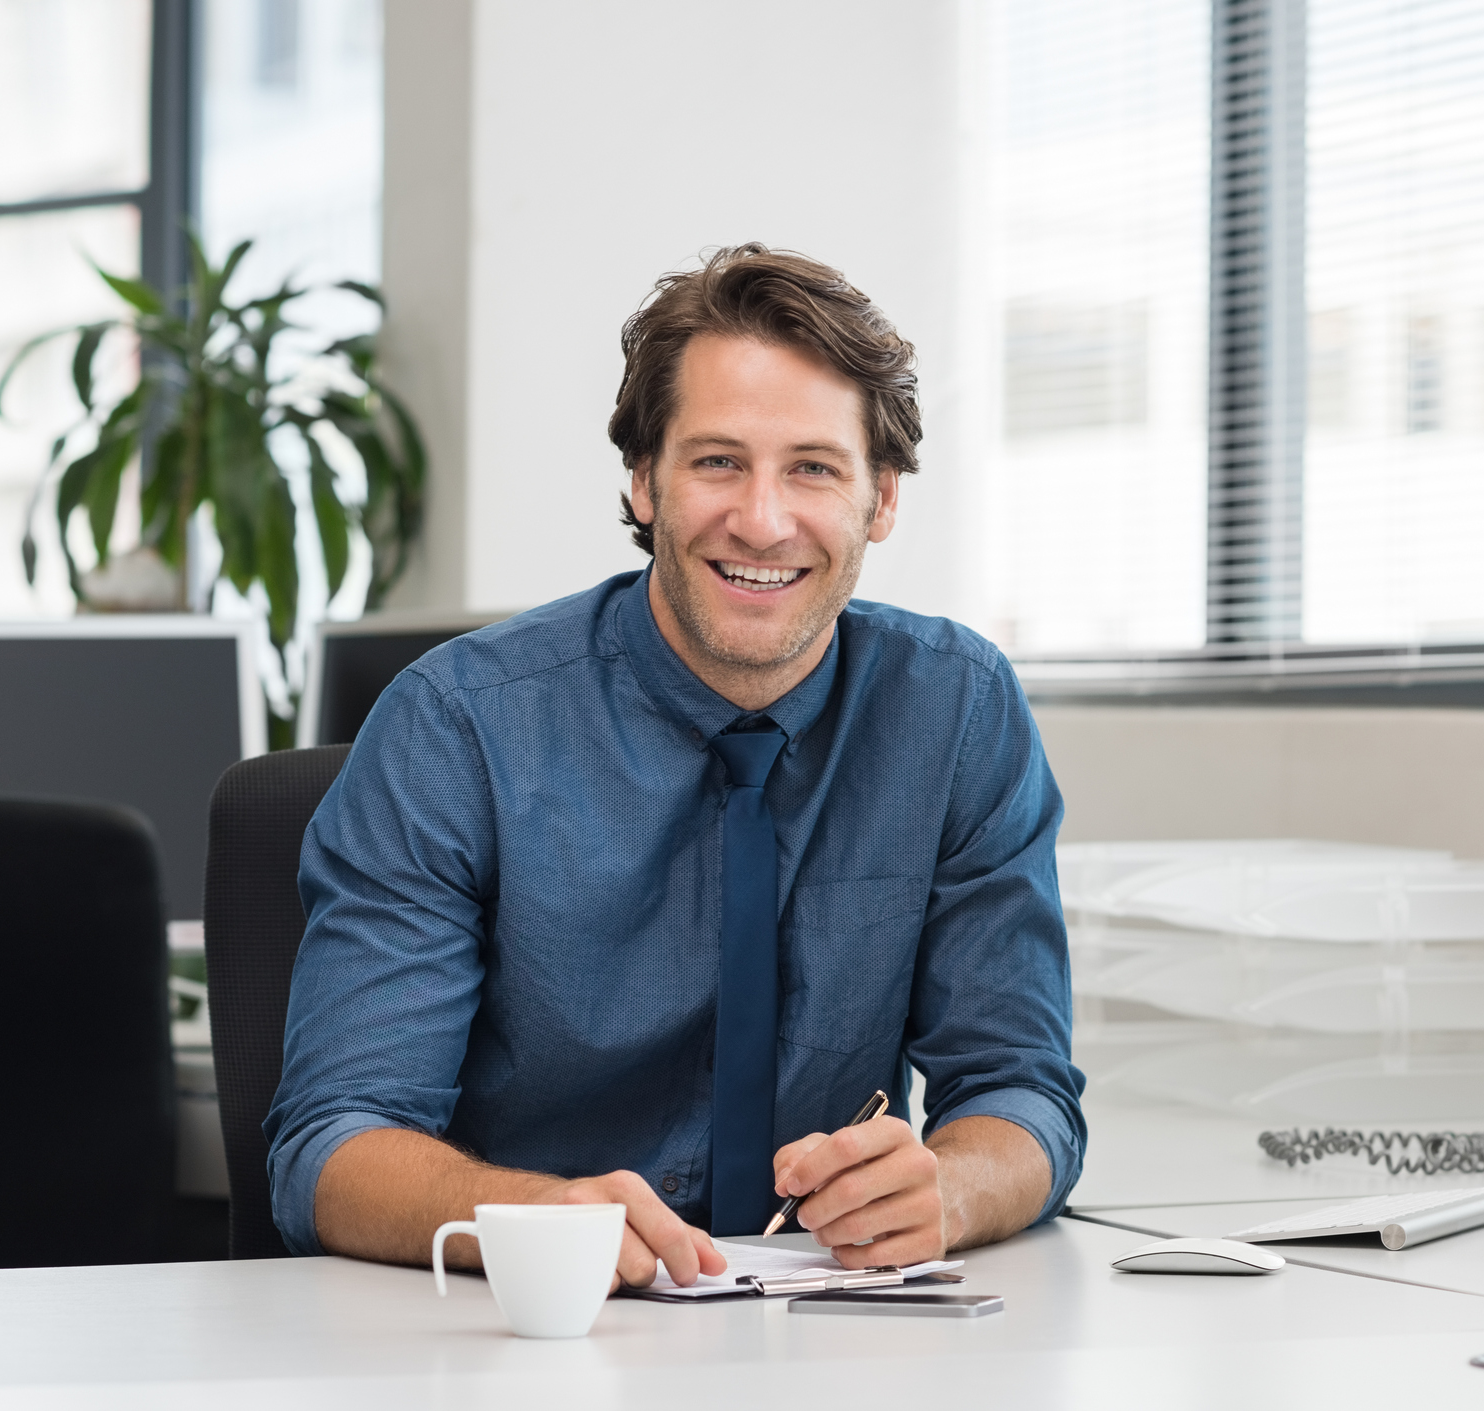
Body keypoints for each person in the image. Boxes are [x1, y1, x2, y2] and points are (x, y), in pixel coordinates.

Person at [265, 244, 1085, 1290]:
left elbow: (1022, 1094)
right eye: (716, 462)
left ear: (881, 500)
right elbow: (329, 1145)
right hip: (523, 1329)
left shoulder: (956, 710)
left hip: (826, 1331)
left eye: (812, 468)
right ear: (643, 481)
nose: (762, 518)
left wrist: (948, 1188)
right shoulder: (454, 728)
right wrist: (535, 1217)